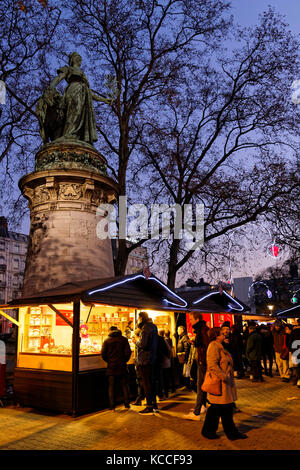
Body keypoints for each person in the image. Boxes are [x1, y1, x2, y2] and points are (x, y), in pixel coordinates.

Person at [201, 327, 247, 440]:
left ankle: (210, 431)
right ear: (216, 335)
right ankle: (230, 433)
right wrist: (224, 377)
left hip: (223, 383)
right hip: (220, 383)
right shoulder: (213, 346)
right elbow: (212, 365)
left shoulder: (220, 346)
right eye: (222, 334)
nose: (225, 335)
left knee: (219, 408)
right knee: (223, 408)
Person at [183, 312, 210, 421]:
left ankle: (196, 412)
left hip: (202, 362)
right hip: (202, 361)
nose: (190, 321)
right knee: (201, 385)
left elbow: (205, 345)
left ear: (197, 319)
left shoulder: (202, 330)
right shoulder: (202, 329)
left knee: (200, 386)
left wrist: (196, 343)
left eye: (191, 319)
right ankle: (202, 406)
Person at [132, 311, 158, 414]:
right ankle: (154, 404)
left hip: (145, 359)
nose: (138, 320)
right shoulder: (153, 327)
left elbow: (143, 344)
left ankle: (149, 406)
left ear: (141, 318)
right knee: (151, 382)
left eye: (138, 319)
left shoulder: (145, 328)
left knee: (147, 383)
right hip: (152, 358)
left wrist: (136, 340)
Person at [101, 326, 132, 411]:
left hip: (111, 366)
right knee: (124, 385)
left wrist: (109, 361)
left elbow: (103, 354)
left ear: (110, 331)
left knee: (111, 387)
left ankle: (112, 406)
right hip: (122, 366)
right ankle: (127, 404)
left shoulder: (107, 340)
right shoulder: (124, 340)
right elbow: (128, 353)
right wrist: (124, 361)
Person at [157, 330, 172, 399]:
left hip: (161, 362)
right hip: (164, 361)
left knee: (161, 379)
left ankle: (163, 394)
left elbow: (167, 350)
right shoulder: (163, 340)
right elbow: (169, 350)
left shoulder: (159, 340)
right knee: (164, 378)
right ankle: (165, 393)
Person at [132, 328, 145, 406]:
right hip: (142, 364)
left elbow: (138, 355)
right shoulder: (141, 342)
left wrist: (136, 362)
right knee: (142, 382)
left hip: (140, 365)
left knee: (140, 382)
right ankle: (141, 398)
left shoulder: (139, 343)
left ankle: (140, 398)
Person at [289, 319, 300, 387]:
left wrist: (291, 351)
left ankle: (296, 380)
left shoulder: (294, 331)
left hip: (296, 351)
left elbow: (290, 342)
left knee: (296, 367)